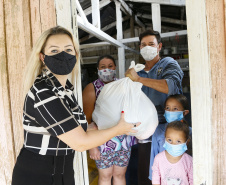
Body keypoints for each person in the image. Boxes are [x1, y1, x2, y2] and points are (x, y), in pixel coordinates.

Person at [11, 26, 140, 185]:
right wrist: (118, 129)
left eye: (68, 49)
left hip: (63, 170)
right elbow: (81, 142)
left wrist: (93, 128)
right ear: (42, 57)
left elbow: (80, 132)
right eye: (54, 51)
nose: (63, 55)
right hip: (38, 174)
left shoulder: (66, 92)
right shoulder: (44, 92)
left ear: (76, 55)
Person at [125, 29, 184, 185]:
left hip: (169, 129)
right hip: (145, 132)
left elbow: (170, 87)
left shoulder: (168, 63)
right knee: (146, 172)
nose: (147, 48)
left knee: (170, 173)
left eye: (151, 44)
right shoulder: (137, 71)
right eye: (143, 45)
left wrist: (138, 79)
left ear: (159, 46)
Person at [82, 55, 137, 185]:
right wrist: (92, 146)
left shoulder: (122, 85)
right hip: (102, 140)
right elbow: (87, 120)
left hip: (123, 138)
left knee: (120, 174)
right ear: (97, 70)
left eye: (110, 66)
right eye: (103, 67)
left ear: (115, 68)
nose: (107, 69)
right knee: (105, 176)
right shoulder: (92, 88)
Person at [149, 94, 192, 181]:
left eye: (175, 109)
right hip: (163, 177)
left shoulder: (190, 132)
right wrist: (152, 177)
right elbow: (153, 155)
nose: (170, 111)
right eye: (168, 108)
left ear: (185, 112)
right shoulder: (158, 131)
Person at [152, 121, 193, 185]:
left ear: (187, 142)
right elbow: (155, 179)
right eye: (170, 140)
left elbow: (192, 180)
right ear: (165, 139)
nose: (173, 144)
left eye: (178, 141)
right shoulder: (158, 158)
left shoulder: (189, 160)